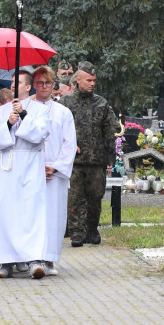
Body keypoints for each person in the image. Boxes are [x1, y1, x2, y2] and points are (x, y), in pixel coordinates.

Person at [0, 70, 52, 279]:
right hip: (7, 165)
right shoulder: (1, 111)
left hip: (29, 164)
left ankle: (35, 259)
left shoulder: (39, 110)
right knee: (6, 212)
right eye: (11, 81)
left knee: (30, 211)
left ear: (28, 87)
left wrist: (24, 116)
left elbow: (40, 134)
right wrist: (9, 123)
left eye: (17, 82)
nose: (12, 85)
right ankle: (6, 260)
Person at [60, 61, 114, 247]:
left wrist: (110, 157)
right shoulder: (66, 103)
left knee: (95, 198)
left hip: (96, 160)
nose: (92, 84)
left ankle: (92, 229)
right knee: (75, 199)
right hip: (74, 160)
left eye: (94, 81)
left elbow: (109, 131)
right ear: (79, 80)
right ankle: (76, 232)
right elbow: (58, 130)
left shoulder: (101, 103)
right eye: (89, 80)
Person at [30, 66, 76, 274]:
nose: (44, 87)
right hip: (30, 170)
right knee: (33, 214)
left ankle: (49, 258)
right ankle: (33, 256)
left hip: (54, 172)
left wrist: (55, 167)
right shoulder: (26, 108)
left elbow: (69, 143)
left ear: (53, 85)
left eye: (47, 83)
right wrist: (35, 167)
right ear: (33, 85)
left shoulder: (63, 112)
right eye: (39, 83)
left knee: (54, 214)